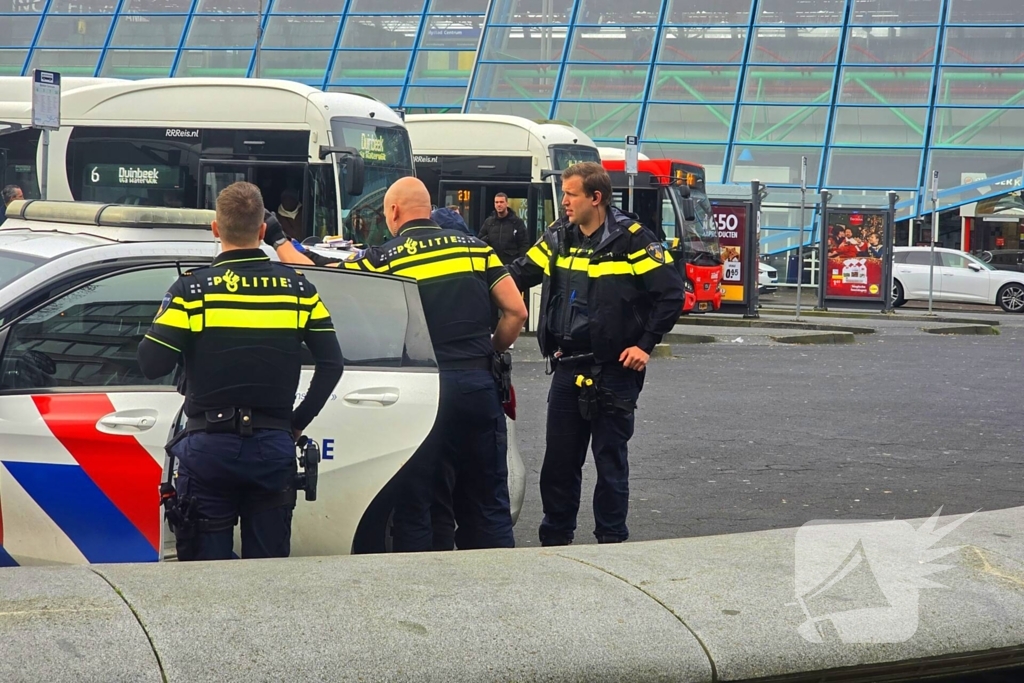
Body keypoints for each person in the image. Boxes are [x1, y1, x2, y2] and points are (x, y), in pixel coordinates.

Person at [270, 177, 527, 552]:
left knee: (418, 504)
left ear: (393, 211)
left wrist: (277, 237)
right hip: (477, 384)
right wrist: (489, 348)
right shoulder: (477, 249)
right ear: (428, 207)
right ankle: (498, 590)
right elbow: (516, 312)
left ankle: (425, 589)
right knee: (487, 504)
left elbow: (316, 270)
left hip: (425, 393)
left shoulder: (387, 258)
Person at [137, 181, 343, 561]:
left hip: (209, 449)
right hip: (272, 447)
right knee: (267, 578)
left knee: (204, 574)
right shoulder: (300, 290)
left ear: (216, 229)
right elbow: (332, 364)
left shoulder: (192, 292)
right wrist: (295, 423)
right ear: (263, 232)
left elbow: (151, 364)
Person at [507, 162, 684, 546]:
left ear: (596, 198)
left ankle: (611, 543)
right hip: (568, 365)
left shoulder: (634, 240)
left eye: (571, 195)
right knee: (558, 464)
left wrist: (645, 345)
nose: (564, 202)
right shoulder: (558, 236)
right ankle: (554, 542)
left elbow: (671, 295)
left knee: (610, 463)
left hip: (614, 368)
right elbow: (517, 274)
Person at [478, 192, 529, 265]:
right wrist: (487, 238)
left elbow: (524, 245)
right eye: (496, 202)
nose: (499, 204)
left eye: (501, 202)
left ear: (507, 203)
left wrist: (520, 264)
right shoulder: (488, 222)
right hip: (493, 264)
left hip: (511, 265)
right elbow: (479, 241)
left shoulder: (517, 222)